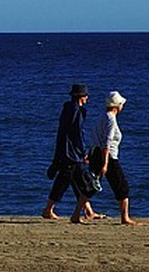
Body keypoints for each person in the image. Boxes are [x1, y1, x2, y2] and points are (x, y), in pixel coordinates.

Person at [41, 83, 103, 222]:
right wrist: (83, 152)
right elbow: (77, 134)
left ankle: (88, 211)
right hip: (72, 153)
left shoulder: (68, 109)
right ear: (82, 97)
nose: (87, 98)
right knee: (65, 181)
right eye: (85, 95)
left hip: (66, 151)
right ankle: (48, 209)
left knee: (78, 180)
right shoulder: (76, 111)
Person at [89, 91, 141, 225]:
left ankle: (77, 213)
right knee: (122, 187)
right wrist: (106, 163)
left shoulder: (101, 117)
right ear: (117, 106)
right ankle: (125, 217)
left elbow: (95, 136)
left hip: (95, 153)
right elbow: (107, 142)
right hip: (109, 156)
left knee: (91, 185)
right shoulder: (111, 120)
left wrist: (90, 154)